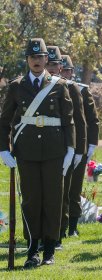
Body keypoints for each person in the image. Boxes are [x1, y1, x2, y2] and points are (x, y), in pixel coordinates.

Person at [0, 38, 75, 267]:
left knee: (53, 200)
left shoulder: (59, 85)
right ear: (27, 60)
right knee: (31, 200)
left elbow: (68, 121)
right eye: (32, 57)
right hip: (27, 151)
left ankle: (49, 249)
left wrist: (71, 150)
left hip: (54, 151)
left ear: (46, 59)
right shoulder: (16, 86)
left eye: (40, 57)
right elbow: (4, 122)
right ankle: (32, 248)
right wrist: (4, 149)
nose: (37, 61)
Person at [46, 46, 87, 249]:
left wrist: (79, 150)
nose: (52, 68)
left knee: (63, 193)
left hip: (66, 149)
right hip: (44, 147)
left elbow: (79, 123)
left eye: (55, 64)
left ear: (61, 66)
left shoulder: (70, 87)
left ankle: (59, 233)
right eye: (49, 64)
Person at [60, 54, 99, 236]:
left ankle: (73, 226)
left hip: (78, 146)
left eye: (68, 70)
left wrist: (90, 146)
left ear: (72, 72)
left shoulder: (81, 90)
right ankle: (59, 224)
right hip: (59, 144)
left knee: (74, 188)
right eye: (62, 69)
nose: (65, 73)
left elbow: (91, 121)